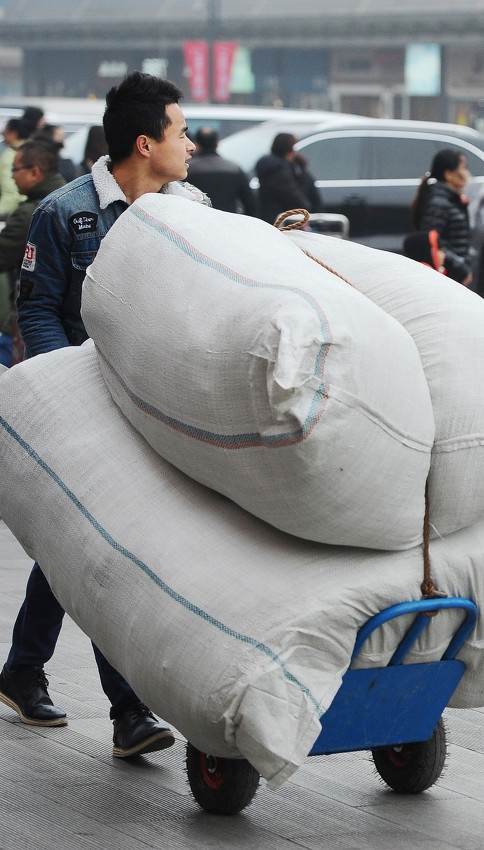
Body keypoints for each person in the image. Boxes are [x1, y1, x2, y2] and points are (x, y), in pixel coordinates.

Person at [1, 70, 209, 759]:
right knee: (105, 547)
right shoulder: (65, 214)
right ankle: (128, 712)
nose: (191, 144)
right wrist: (73, 385)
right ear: (146, 143)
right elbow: (34, 307)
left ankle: (22, 670)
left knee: (78, 544)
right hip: (89, 406)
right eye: (181, 132)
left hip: (158, 407)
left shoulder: (191, 207)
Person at [0, 140, 66, 365]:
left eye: (15, 170)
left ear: (34, 172)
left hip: (36, 322)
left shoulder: (31, 213)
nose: (11, 177)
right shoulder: (69, 201)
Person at [406, 148, 472, 284]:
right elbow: (433, 241)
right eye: (462, 168)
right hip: (446, 275)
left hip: (454, 273)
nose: (467, 174)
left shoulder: (452, 198)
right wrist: (459, 266)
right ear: (449, 175)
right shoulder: (439, 202)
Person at [185, 127, 257, 215]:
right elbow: (250, 203)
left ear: (197, 145)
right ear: (217, 144)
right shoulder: (233, 168)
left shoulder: (188, 169)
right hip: (228, 221)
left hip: (196, 219)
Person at [255, 132, 321, 225]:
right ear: (289, 150)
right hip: (283, 221)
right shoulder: (280, 171)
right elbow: (295, 199)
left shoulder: (277, 168)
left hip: (274, 219)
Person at [1, 118, 36, 218]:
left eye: (5, 130)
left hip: (13, 210)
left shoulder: (12, 155)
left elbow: (10, 191)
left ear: (14, 132)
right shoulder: (33, 151)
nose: (3, 133)